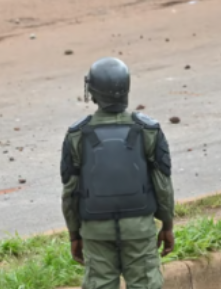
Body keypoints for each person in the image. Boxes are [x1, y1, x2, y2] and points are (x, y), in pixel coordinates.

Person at [60, 57, 175, 289]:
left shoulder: (76, 134)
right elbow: (163, 186)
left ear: (92, 91)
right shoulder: (148, 130)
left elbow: (70, 193)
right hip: (140, 230)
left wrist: (74, 234)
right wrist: (167, 225)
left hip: (95, 230)